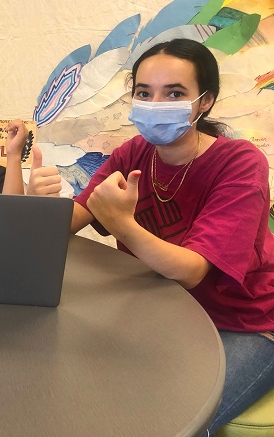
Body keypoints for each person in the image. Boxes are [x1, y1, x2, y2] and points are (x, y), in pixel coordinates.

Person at [27, 38, 274, 434]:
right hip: (164, 310)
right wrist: (38, 202)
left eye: (174, 93)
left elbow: (193, 271)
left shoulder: (240, 163)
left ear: (205, 101)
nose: (156, 104)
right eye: (144, 93)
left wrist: (124, 225)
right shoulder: (133, 153)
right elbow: (70, 221)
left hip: (243, 320)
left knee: (181, 422)